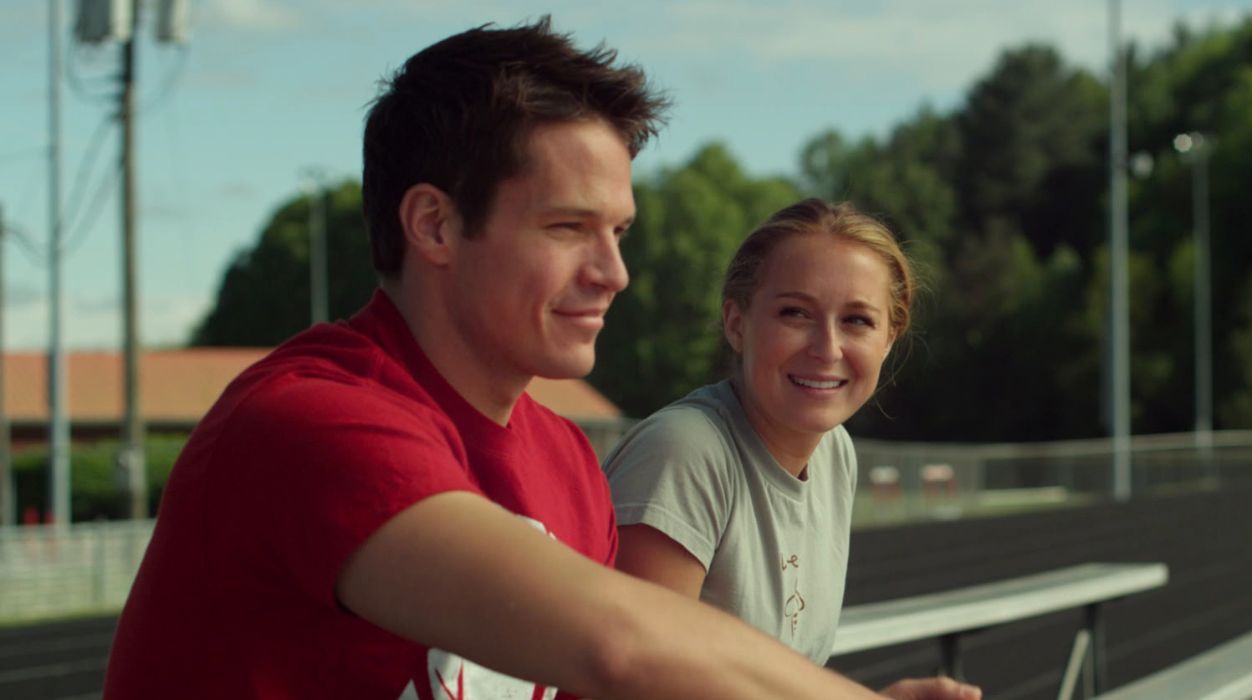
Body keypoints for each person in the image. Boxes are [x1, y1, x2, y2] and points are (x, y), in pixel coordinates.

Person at [104, 18, 979, 700]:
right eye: (568, 228)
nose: (614, 272)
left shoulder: (562, 458)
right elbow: (619, 644)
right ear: (435, 224)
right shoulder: (308, 422)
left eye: (618, 232)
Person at [604, 199, 954, 675]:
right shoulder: (684, 452)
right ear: (736, 323)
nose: (827, 348)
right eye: (796, 313)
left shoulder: (835, 453)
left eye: (857, 320)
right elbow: (638, 683)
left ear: (890, 338)